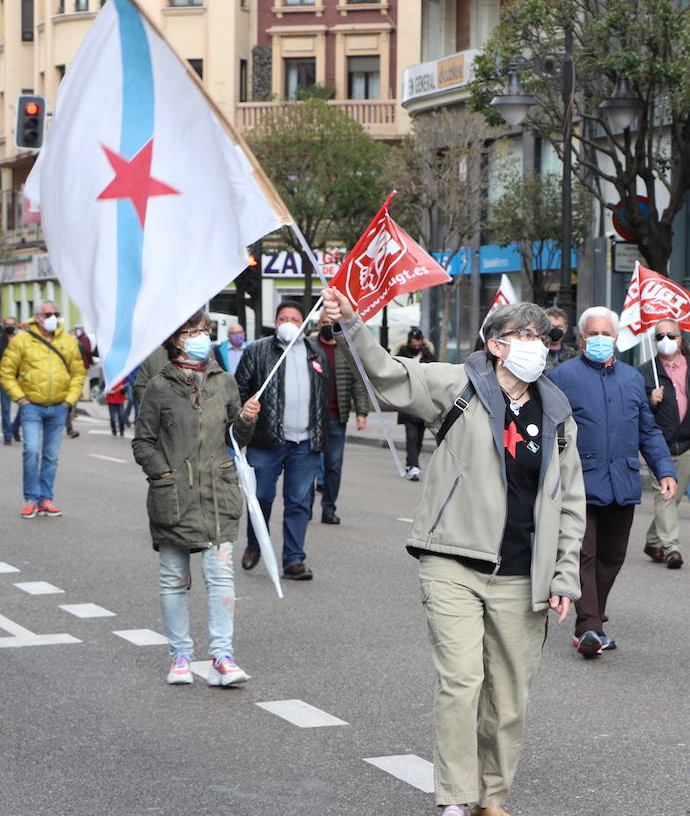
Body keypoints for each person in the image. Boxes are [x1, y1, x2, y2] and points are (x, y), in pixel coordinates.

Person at [322, 287, 583, 816]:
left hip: (521, 574)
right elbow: (388, 373)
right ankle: (457, 799)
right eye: (524, 336)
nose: (538, 345)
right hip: (453, 563)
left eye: (543, 337)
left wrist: (564, 575)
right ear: (496, 345)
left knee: (507, 702)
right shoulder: (458, 383)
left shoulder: (556, 410)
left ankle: (491, 798)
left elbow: (570, 500)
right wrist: (351, 323)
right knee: (462, 683)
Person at [131, 309, 262, 687]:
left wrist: (248, 419)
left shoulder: (225, 382)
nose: (200, 336)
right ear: (175, 339)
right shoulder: (159, 386)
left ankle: (223, 655)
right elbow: (143, 442)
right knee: (174, 578)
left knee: (220, 576)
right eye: (192, 331)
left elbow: (237, 438)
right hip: (174, 497)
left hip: (217, 495)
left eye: (204, 330)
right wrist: (163, 473)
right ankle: (181, 655)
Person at [549, 305, 677, 657]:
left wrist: (664, 470)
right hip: (579, 485)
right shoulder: (561, 378)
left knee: (612, 556)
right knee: (583, 554)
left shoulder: (633, 378)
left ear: (617, 338)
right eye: (593, 333)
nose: (601, 339)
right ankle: (588, 627)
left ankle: (594, 617)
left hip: (622, 482)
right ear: (581, 337)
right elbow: (549, 431)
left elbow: (647, 431)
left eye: (607, 333)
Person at [233, 300, 328, 581]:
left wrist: (321, 436)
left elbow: (323, 397)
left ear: (304, 323)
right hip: (267, 440)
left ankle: (294, 560)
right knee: (260, 497)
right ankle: (254, 544)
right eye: (283, 318)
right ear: (275, 323)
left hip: (304, 443)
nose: (289, 322)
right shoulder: (257, 351)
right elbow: (239, 391)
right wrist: (243, 417)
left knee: (299, 502)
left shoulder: (316, 353)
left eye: (295, 318)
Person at [640, 318, 690, 569]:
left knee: (675, 496)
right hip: (658, 445)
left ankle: (653, 541)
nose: (666, 341)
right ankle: (671, 547)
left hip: (689, 444)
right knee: (665, 495)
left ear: (680, 339)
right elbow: (639, 410)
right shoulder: (646, 371)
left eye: (670, 336)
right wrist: (651, 400)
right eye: (660, 337)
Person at [0, 301, 86, 519]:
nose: (53, 317)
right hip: (32, 407)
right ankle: (31, 499)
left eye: (56, 313)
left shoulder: (68, 340)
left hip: (58, 407)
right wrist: (20, 398)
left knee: (51, 456)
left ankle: (46, 499)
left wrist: (69, 400)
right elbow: (6, 371)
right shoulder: (22, 340)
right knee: (31, 451)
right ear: (37, 317)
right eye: (49, 314)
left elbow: (78, 372)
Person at [311, 320, 368, 525]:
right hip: (311, 418)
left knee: (333, 466)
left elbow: (358, 383)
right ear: (319, 323)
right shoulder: (309, 346)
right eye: (325, 321)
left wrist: (362, 412)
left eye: (332, 322)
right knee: (307, 464)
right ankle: (304, 506)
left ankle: (329, 509)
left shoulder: (347, 349)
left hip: (336, 417)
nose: (328, 325)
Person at [395, 327, 435, 481]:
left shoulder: (427, 355)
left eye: (419, 344)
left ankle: (410, 462)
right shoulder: (402, 354)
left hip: (423, 401)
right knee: (411, 435)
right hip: (407, 400)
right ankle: (414, 466)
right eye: (414, 343)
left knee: (419, 436)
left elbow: (435, 371)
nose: (416, 346)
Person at [0, 319, 23, 444]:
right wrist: (0, 373)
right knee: (5, 408)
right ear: (2, 326)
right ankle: (7, 435)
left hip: (21, 378)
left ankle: (15, 427)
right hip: (5, 378)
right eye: (7, 324)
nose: (10, 327)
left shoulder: (21, 339)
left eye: (12, 324)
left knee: (25, 406)